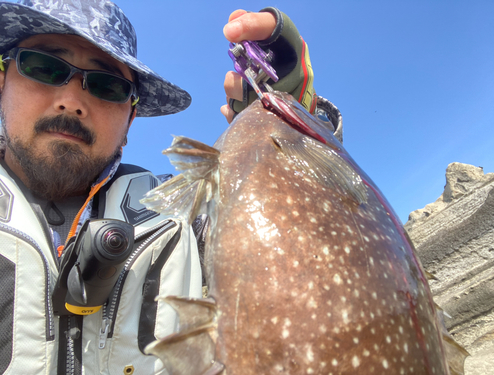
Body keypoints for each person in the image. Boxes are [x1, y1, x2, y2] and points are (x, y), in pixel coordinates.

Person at [0, 1, 341, 374]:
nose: (71, 101)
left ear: (130, 118)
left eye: (107, 85)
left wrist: (295, 135)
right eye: (44, 67)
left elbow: (309, 249)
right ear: (3, 82)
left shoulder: (187, 215)